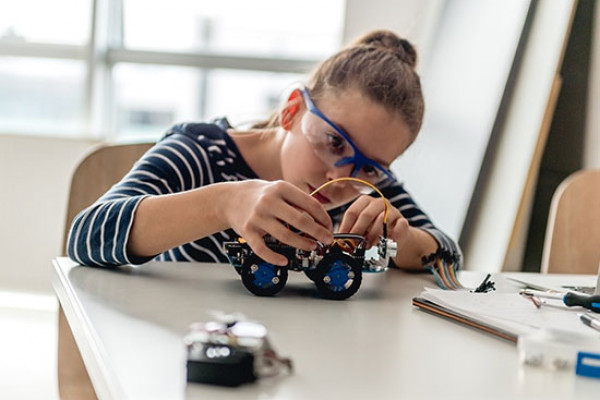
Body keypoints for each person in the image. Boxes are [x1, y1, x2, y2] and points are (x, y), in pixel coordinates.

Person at [67, 29, 461, 271]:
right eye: (334, 142)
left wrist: (403, 242)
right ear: (292, 110)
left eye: (371, 167)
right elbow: (87, 235)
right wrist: (224, 203)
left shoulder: (363, 189)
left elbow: (449, 257)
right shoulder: (203, 154)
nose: (340, 177)